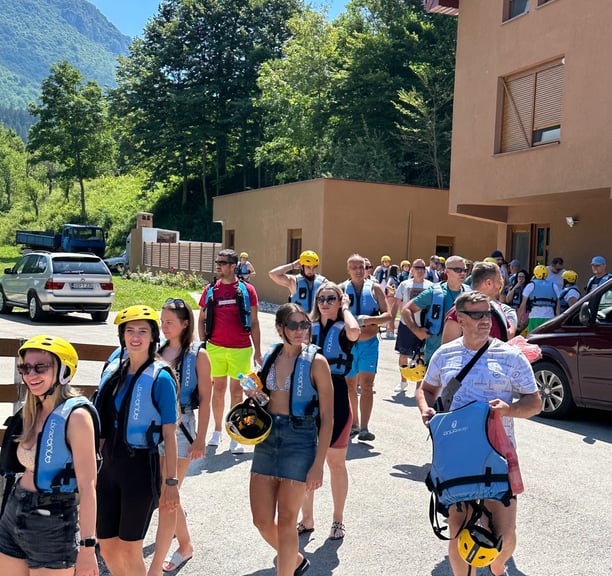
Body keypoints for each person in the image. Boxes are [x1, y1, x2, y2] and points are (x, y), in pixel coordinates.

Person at [415, 291, 542, 576]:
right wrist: (426, 409)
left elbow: (535, 402)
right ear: (460, 319)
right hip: (457, 455)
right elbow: (426, 389)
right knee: (459, 531)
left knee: (505, 537)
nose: (485, 320)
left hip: (498, 454)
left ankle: (497, 565)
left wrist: (509, 409)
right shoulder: (444, 354)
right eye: (477, 315)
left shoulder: (510, 355)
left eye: (487, 314)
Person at [0, 336, 99, 576]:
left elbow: (88, 486)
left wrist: (87, 548)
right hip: (14, 512)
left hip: (53, 522)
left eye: (40, 367)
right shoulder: (32, 411)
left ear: (63, 371)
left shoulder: (76, 417)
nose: (30, 374)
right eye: (24, 367)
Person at [249, 303, 333, 576]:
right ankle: (294, 559)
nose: (300, 331)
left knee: (287, 520)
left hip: (300, 439)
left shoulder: (317, 362)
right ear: (280, 329)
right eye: (293, 325)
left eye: (304, 325)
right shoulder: (272, 355)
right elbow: (266, 399)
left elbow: (328, 418)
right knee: (261, 520)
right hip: (268, 438)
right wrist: (254, 394)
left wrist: (319, 464)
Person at [95, 306, 180, 576]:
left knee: (130, 547)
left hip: (141, 468)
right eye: (130, 331)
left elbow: (169, 434)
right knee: (106, 545)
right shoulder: (114, 368)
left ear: (153, 336)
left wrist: (171, 484)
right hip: (109, 466)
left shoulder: (161, 377)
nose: (135, 337)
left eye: (142, 331)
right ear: (122, 335)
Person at [148, 298, 212, 576]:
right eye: (162, 322)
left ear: (185, 324)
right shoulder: (157, 351)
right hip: (155, 429)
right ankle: (184, 543)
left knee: (167, 494)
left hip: (183, 428)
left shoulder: (199, 354)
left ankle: (177, 551)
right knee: (165, 493)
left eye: (169, 322)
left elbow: (208, 400)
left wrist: (201, 439)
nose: (164, 327)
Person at [297, 282, 360, 540]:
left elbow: (355, 331)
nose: (325, 302)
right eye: (321, 298)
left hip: (336, 400)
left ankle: (338, 519)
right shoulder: (306, 327)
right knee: (306, 464)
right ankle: (307, 519)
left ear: (339, 300)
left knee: (335, 463)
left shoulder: (344, 328)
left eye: (331, 298)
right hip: (309, 399)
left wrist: (345, 308)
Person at [198, 249, 262, 454]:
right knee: (217, 390)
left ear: (233, 266)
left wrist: (258, 351)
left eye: (223, 262)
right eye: (217, 262)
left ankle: (235, 433)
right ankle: (217, 431)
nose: (218, 265)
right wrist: (202, 346)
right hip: (215, 348)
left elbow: (254, 321)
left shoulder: (248, 290)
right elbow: (201, 319)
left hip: (241, 349)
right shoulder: (210, 289)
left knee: (237, 391)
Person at [340, 254, 391, 442]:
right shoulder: (341, 290)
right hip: (347, 346)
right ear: (348, 270)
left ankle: (364, 428)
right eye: (354, 267)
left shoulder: (375, 288)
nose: (359, 270)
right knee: (350, 386)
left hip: (369, 344)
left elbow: (387, 316)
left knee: (367, 386)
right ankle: (353, 424)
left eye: (362, 266)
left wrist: (368, 320)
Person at [401, 255, 470, 366]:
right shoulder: (434, 292)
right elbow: (406, 310)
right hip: (435, 352)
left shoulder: (469, 293)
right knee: (432, 382)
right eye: (458, 270)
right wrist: (417, 331)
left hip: (462, 352)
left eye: (465, 270)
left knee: (454, 383)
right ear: (447, 271)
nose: (462, 273)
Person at [442, 261, 516, 344]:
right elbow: (447, 350)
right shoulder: (459, 311)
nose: (501, 285)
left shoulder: (497, 308)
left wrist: (512, 319)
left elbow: (506, 336)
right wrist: (513, 319)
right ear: (489, 283)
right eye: (499, 280)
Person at [393, 258, 433, 392]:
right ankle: (403, 381)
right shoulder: (404, 285)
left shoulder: (431, 286)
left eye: (422, 268)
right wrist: (392, 321)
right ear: (412, 270)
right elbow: (397, 303)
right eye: (417, 267)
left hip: (423, 325)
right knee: (403, 354)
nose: (420, 270)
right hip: (406, 325)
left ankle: (419, 386)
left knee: (422, 356)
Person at [517, 265, 560, 333]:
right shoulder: (554, 286)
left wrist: (518, 320)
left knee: (533, 340)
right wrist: (558, 320)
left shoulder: (530, 285)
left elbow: (523, 305)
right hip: (550, 317)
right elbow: (558, 306)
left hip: (534, 317)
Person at [505, 269, 529, 333]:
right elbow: (507, 300)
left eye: (523, 277)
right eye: (519, 277)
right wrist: (515, 287)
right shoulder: (512, 288)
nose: (521, 279)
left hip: (525, 312)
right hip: (514, 311)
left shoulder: (529, 288)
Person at [383, 264, 400, 338]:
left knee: (393, 315)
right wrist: (393, 289)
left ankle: (390, 331)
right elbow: (387, 285)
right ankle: (390, 332)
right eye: (397, 270)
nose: (399, 271)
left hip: (394, 297)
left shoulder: (395, 278)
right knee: (391, 315)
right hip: (391, 297)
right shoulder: (391, 278)